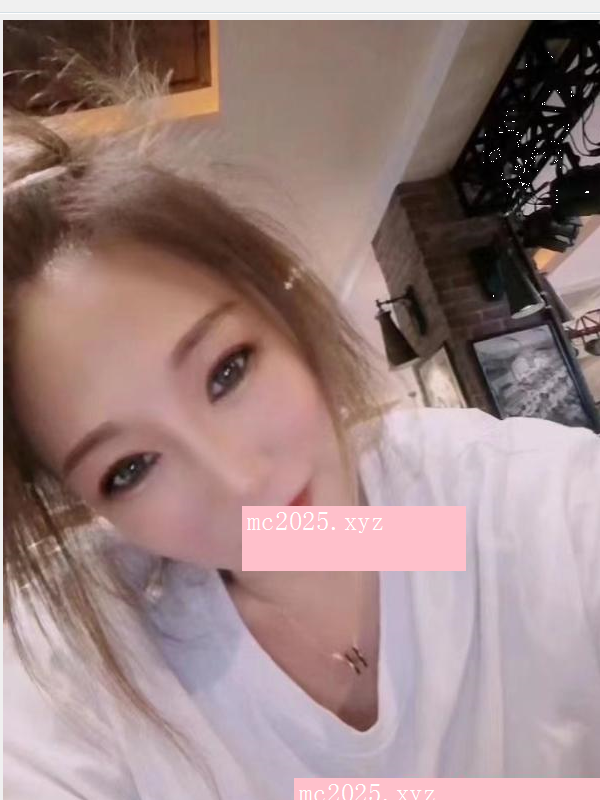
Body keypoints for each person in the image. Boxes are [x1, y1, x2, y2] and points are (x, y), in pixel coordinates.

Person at [4, 64, 600, 800]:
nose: (239, 481)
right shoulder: (88, 676)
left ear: (284, 313)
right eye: (130, 468)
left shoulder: (496, 509)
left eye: (227, 372)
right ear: (85, 506)